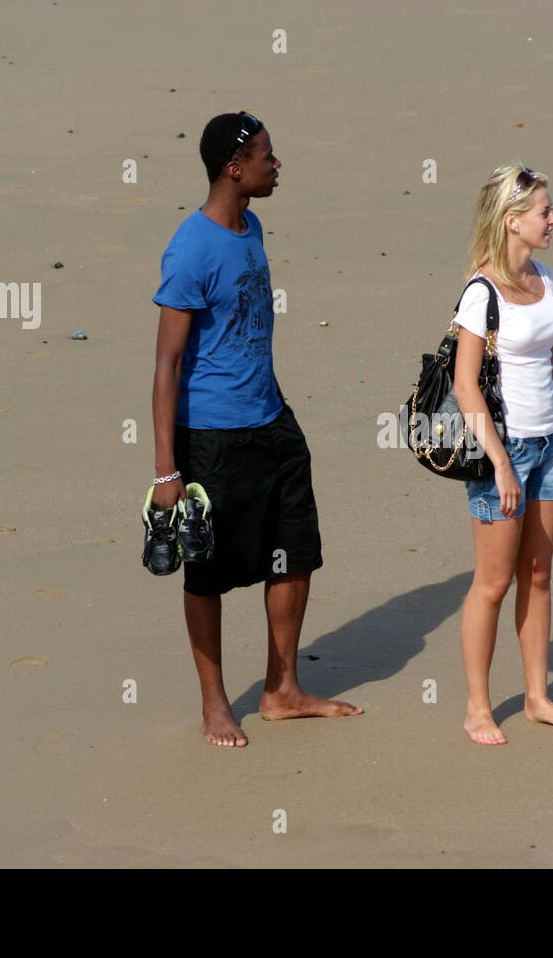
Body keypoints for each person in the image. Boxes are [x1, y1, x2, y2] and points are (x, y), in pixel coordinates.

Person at [149, 111, 362, 747]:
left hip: (273, 420)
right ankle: (215, 703)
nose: (277, 164)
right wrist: (166, 473)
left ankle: (282, 689)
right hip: (212, 437)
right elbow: (166, 366)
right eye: (267, 155)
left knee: (295, 553)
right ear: (233, 169)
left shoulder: (253, 226)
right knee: (207, 573)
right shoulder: (189, 248)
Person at [452, 165, 553, 745]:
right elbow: (465, 386)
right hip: (501, 451)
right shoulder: (480, 292)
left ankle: (536, 697)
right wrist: (502, 463)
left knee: (538, 575)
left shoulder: (546, 279)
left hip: (551, 445)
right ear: (513, 221)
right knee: (493, 583)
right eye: (543, 213)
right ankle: (477, 708)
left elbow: (548, 366)